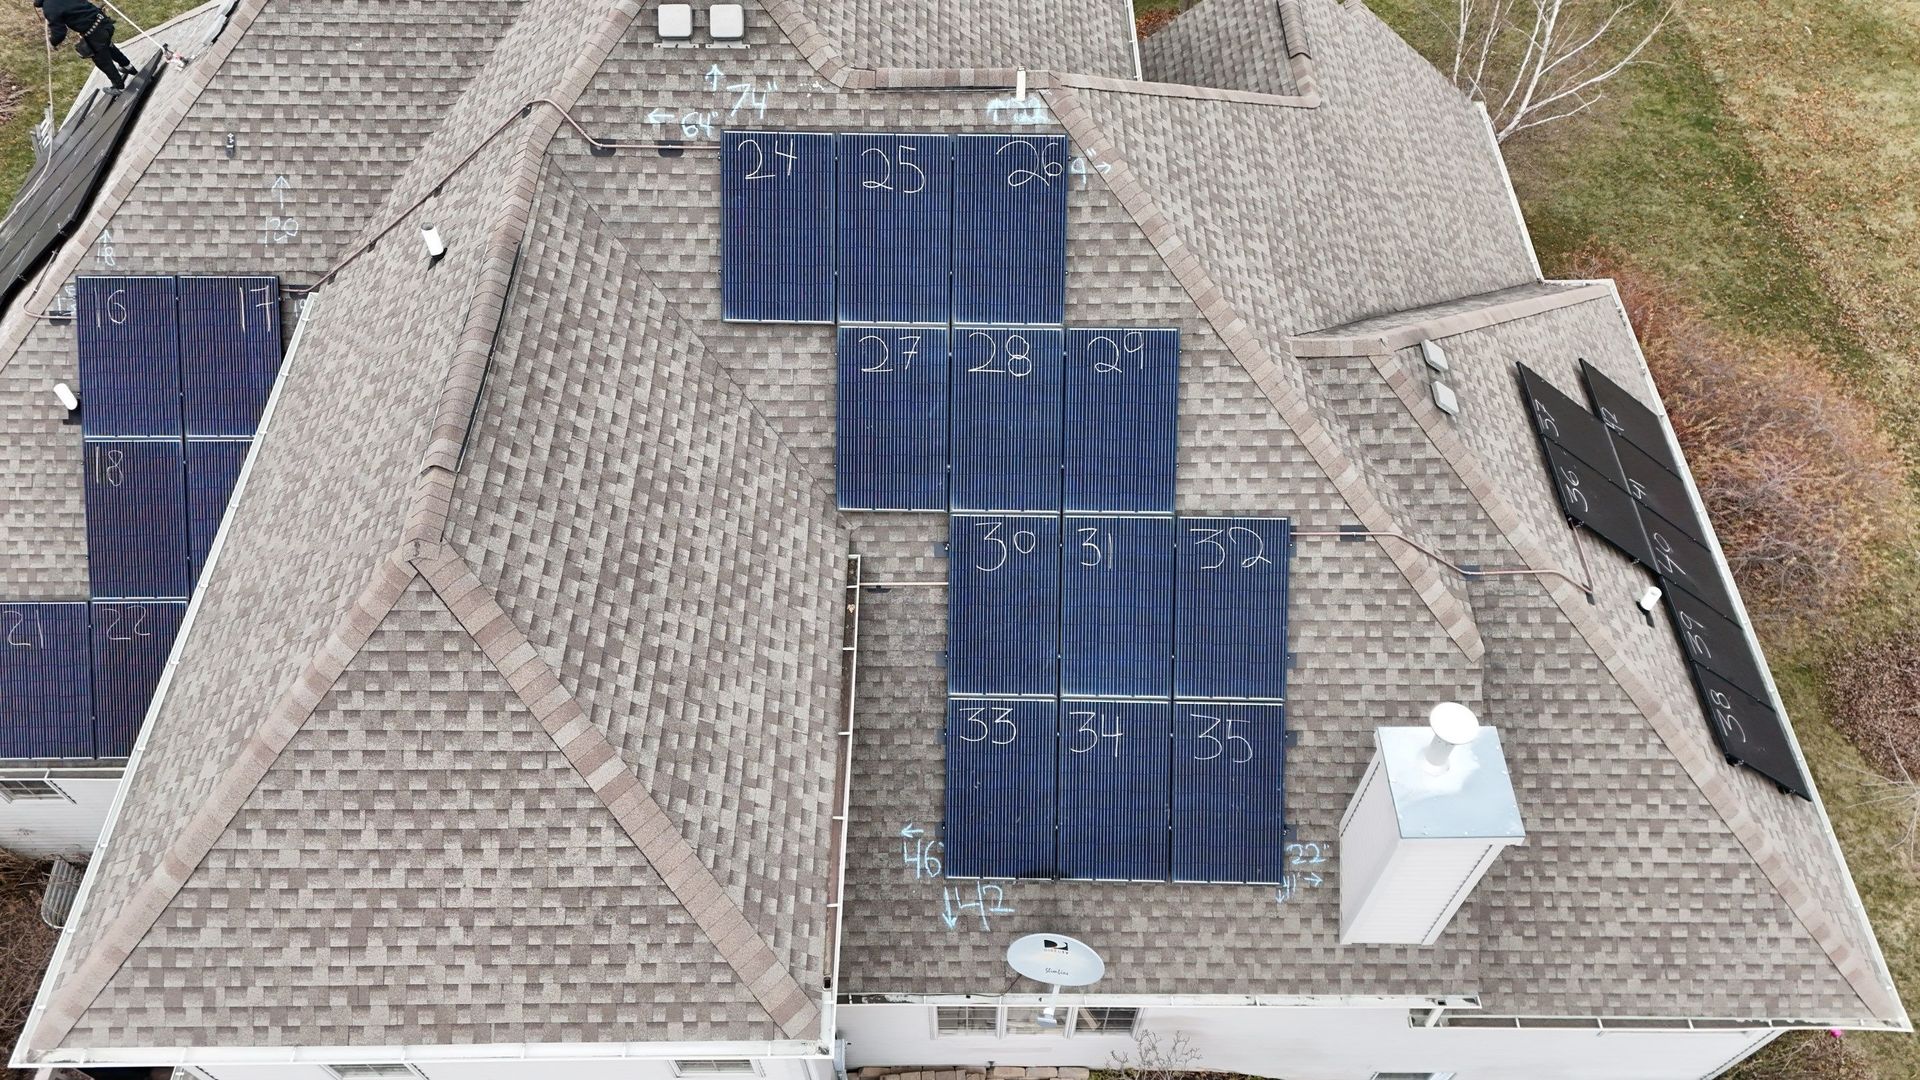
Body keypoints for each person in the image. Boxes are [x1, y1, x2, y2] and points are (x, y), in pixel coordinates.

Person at [36, 0, 139, 94]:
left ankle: (119, 87)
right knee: (108, 46)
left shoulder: (49, 7)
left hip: (94, 33)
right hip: (103, 21)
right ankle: (128, 66)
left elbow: (59, 32)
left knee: (102, 60)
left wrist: (52, 42)